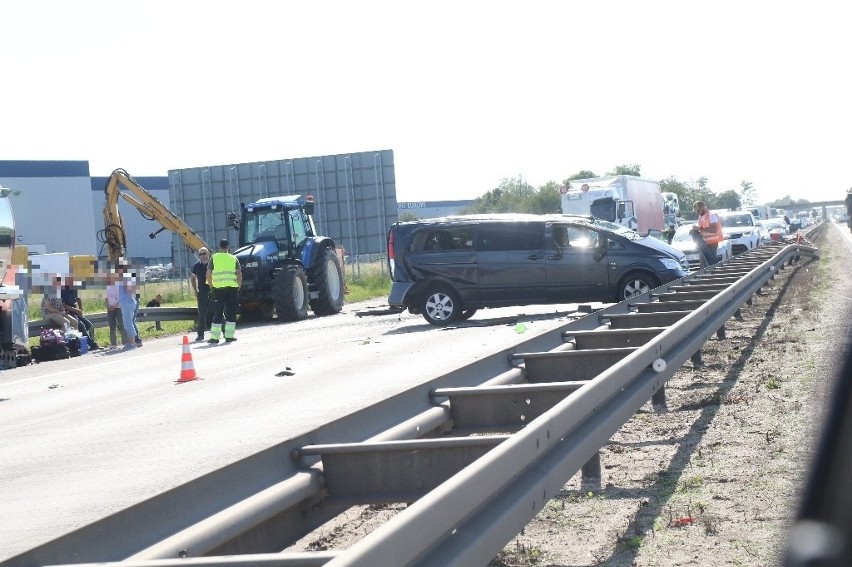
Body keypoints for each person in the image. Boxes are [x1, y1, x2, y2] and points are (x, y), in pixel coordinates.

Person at [206, 238, 242, 344]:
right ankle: (229, 336)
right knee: (231, 312)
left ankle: (215, 338)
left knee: (218, 312)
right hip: (232, 289)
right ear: (228, 247)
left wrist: (211, 287)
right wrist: (238, 286)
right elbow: (239, 274)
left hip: (218, 289)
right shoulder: (234, 258)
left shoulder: (214, 258)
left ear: (219, 246)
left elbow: (208, 274)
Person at [60, 276, 101, 350]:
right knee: (81, 325)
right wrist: (76, 310)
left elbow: (79, 298)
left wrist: (81, 308)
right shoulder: (62, 290)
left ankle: (84, 342)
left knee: (88, 324)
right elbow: (64, 305)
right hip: (68, 312)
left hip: (75, 311)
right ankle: (91, 344)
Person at [693, 201, 724, 268]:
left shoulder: (712, 215)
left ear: (702, 207)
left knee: (712, 261)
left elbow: (714, 229)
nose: (697, 213)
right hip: (704, 243)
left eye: (698, 211)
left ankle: (715, 274)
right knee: (705, 263)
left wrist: (700, 228)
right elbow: (702, 230)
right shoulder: (700, 217)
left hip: (712, 243)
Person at [190, 247, 212, 342]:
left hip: (213, 291)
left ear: (208, 254)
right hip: (202, 292)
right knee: (202, 314)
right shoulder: (197, 266)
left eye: (204, 253)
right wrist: (195, 290)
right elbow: (192, 278)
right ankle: (200, 335)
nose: (203, 256)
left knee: (217, 312)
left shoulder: (213, 264)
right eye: (200, 254)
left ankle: (224, 332)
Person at [116, 265, 139, 350]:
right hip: (124, 303)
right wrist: (118, 303)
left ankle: (132, 343)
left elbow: (130, 292)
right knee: (126, 323)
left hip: (128, 303)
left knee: (128, 323)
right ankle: (130, 342)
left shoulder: (127, 279)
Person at [105, 271, 125, 349]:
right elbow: (106, 297)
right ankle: (113, 343)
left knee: (121, 325)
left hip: (119, 308)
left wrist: (116, 305)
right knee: (112, 326)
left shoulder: (120, 286)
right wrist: (108, 306)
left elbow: (122, 297)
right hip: (110, 308)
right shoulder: (107, 286)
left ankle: (125, 342)